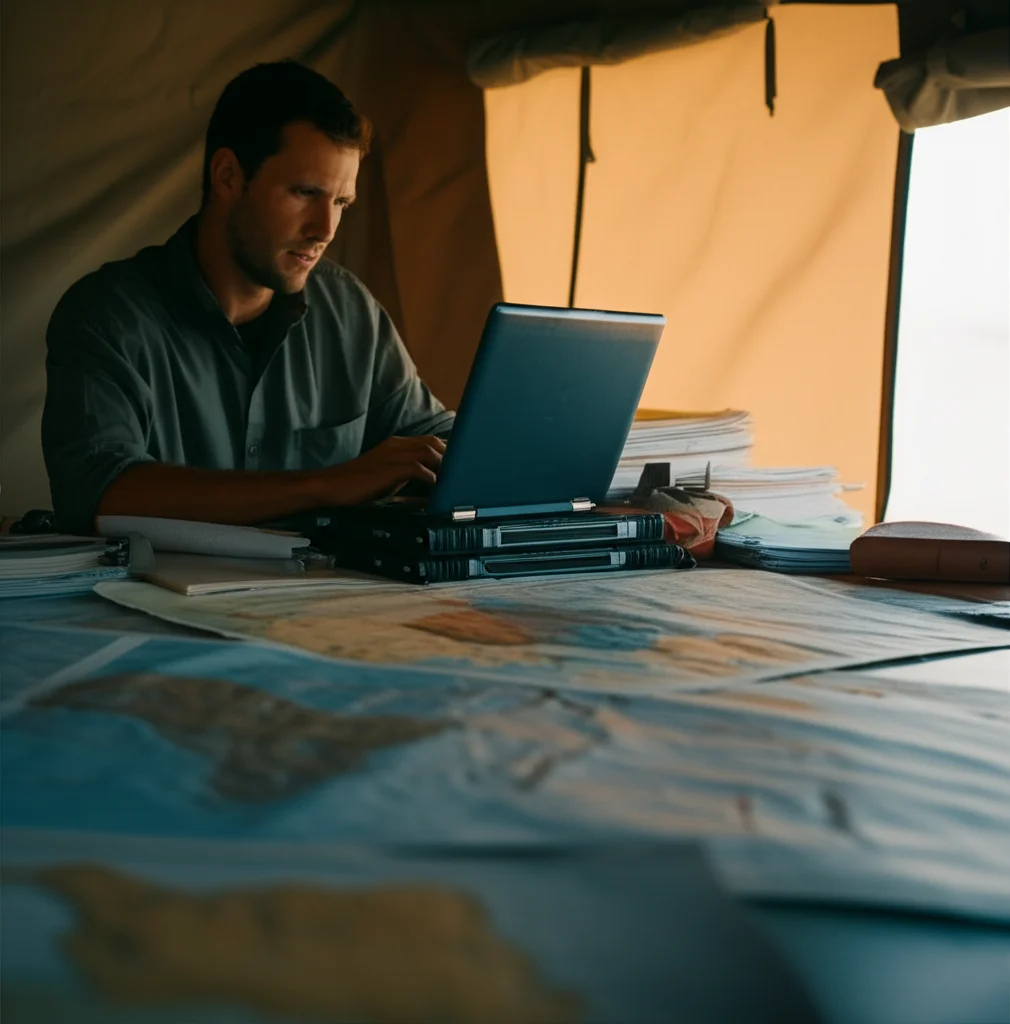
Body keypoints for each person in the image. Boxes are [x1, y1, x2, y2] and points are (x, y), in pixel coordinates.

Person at [42, 61, 452, 534]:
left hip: (323, 607)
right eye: (305, 193)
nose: (325, 230)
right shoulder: (106, 316)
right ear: (228, 176)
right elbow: (100, 492)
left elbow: (432, 436)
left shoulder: (350, 310)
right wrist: (326, 484)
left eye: (341, 203)